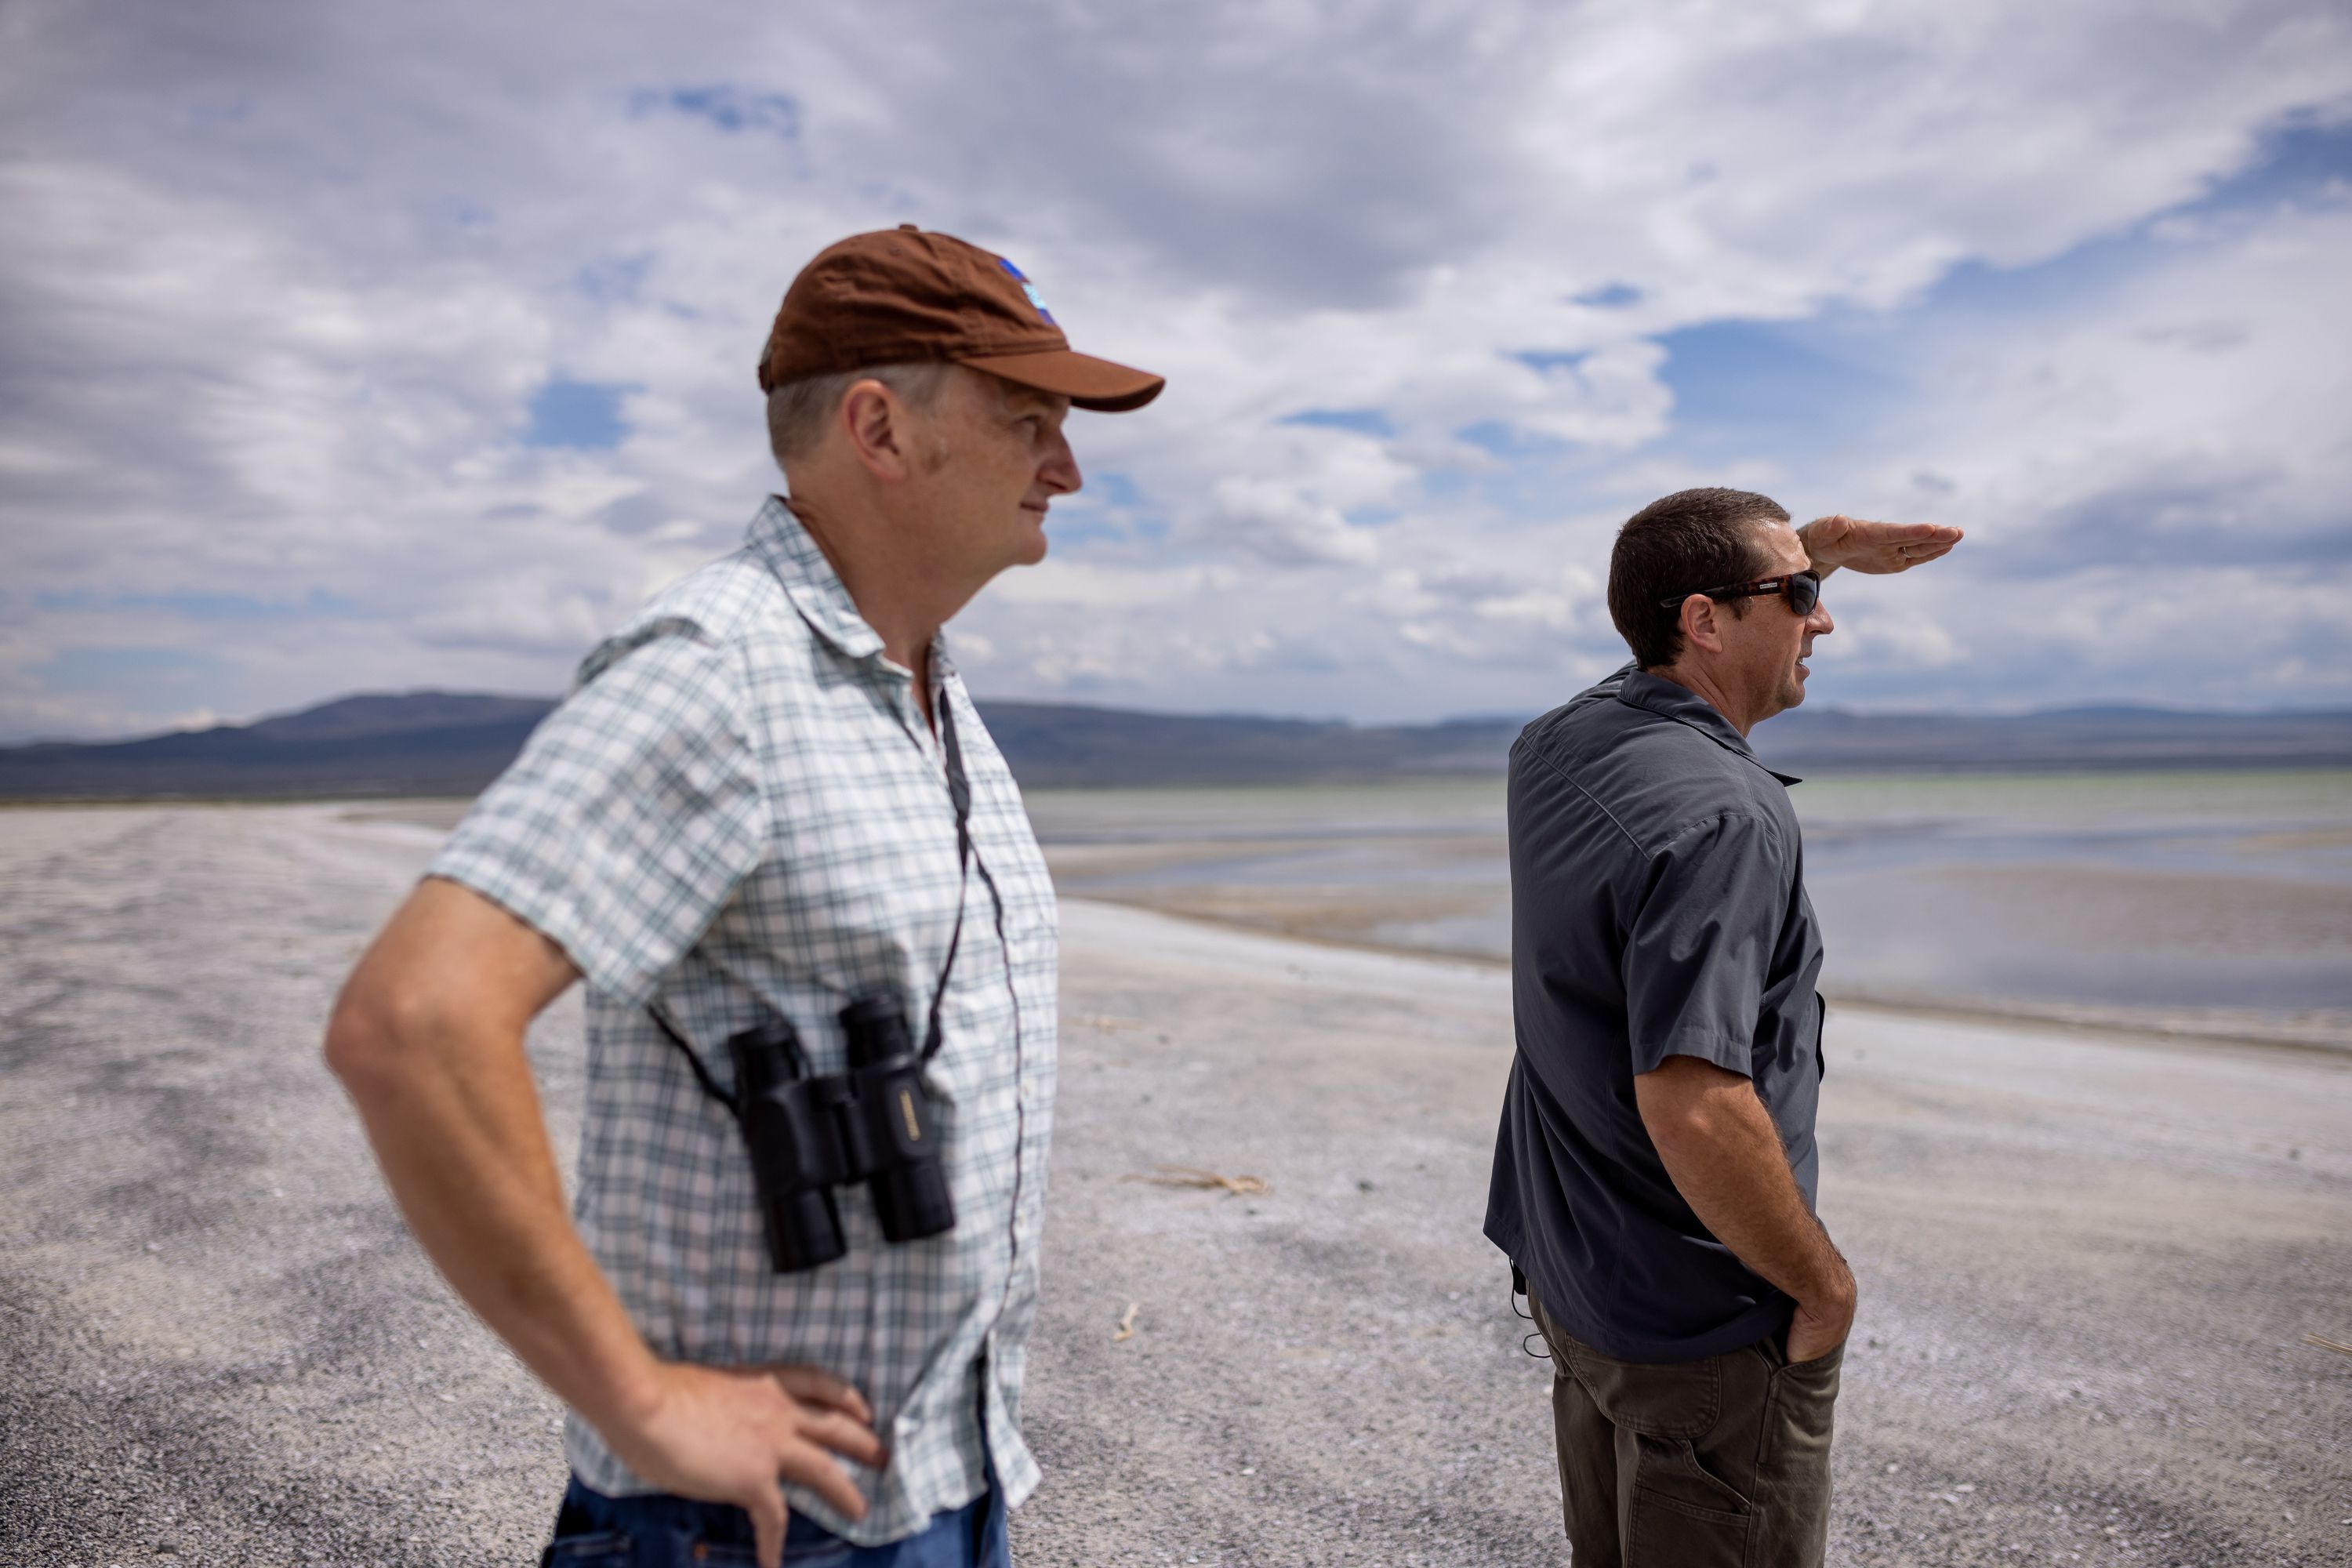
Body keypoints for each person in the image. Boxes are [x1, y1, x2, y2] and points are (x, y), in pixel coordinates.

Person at [324, 226, 1163, 1568]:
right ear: (879, 429)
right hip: (748, 1527)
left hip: (944, 1485)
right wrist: (643, 1404)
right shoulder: (721, 669)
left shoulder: (921, 686)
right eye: (1028, 421)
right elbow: (412, 1022)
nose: (1064, 468)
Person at [1484, 487, 1961, 1566]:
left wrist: (1814, 557)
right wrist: (1823, 1285)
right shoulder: (1726, 817)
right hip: (1700, 1319)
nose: (1821, 620)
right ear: (1702, 620)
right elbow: (1695, 1102)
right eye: (1798, 597)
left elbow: (1653, 623)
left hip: (1581, 1281)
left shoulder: (1555, 746)